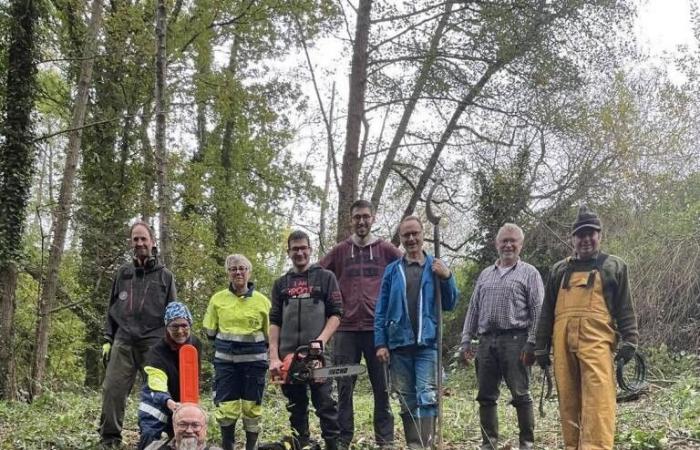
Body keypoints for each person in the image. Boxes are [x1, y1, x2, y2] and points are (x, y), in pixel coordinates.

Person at [535, 205, 638, 450]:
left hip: (597, 343)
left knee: (598, 401)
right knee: (569, 401)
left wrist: (630, 340)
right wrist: (540, 346)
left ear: (599, 235)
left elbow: (625, 308)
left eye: (591, 233)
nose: (586, 239)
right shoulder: (559, 270)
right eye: (581, 234)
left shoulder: (613, 266)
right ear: (573, 238)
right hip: (561, 345)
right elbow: (547, 311)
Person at [319, 199, 402, 449]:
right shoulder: (341, 251)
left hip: (378, 331)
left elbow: (407, 270)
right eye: (357, 217)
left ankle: (385, 440)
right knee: (344, 387)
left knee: (382, 388)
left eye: (366, 216)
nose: (362, 221)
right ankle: (344, 438)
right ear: (351, 220)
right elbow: (318, 274)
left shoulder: (386, 250)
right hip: (345, 331)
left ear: (373, 218)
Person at [374, 216, 459, 449]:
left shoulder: (435, 267)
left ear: (423, 235)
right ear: (400, 239)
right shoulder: (392, 271)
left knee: (428, 396)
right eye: (406, 235)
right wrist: (380, 343)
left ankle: (427, 443)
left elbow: (450, 303)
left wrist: (447, 277)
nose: (411, 239)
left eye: (415, 233)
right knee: (406, 398)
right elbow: (380, 309)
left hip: (427, 344)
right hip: (398, 344)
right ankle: (415, 445)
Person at [460, 223, 543, 450]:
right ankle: (488, 444)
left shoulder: (529, 273)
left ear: (520, 244)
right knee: (486, 396)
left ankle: (526, 444)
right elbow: (473, 309)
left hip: (516, 341)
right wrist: (466, 339)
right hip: (486, 342)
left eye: (512, 240)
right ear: (496, 244)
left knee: (521, 394)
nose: (508, 245)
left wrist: (532, 343)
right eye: (503, 240)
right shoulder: (486, 275)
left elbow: (538, 311)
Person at [100, 220, 177, 448]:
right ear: (131, 243)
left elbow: (172, 313)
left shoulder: (166, 276)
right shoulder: (123, 274)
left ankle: (153, 438)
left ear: (152, 242)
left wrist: (172, 345)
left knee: (156, 392)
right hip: (123, 340)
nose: (139, 243)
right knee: (112, 390)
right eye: (135, 239)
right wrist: (107, 338)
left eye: (144, 238)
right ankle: (109, 438)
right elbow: (112, 308)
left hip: (153, 343)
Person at [269, 230, 343, 450]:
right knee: (296, 408)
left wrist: (320, 341)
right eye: (295, 249)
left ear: (310, 250)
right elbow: (274, 321)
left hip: (317, 354)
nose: (299, 252)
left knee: (326, 405)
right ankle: (302, 445)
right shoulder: (281, 284)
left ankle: (333, 446)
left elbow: (337, 314)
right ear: (289, 252)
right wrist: (273, 356)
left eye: (303, 248)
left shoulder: (325, 277)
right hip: (288, 356)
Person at [203, 254, 271, 450]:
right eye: (233, 269)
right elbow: (210, 332)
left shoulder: (262, 302)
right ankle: (228, 446)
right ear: (228, 273)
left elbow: (270, 336)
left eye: (242, 268)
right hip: (226, 365)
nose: (238, 272)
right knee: (226, 408)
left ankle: (251, 446)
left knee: (252, 407)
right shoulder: (217, 299)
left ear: (249, 272)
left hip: (254, 366)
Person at [138, 302, 203, 450]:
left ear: (190, 325)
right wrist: (169, 402)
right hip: (157, 401)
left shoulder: (196, 344)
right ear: (167, 327)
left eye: (184, 325)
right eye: (174, 326)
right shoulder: (156, 352)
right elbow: (157, 383)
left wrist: (188, 406)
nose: (180, 331)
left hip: (182, 399)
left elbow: (193, 377)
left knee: (189, 436)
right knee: (150, 436)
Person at [145, 403, 223, 450]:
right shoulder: (155, 448)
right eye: (183, 424)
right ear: (174, 426)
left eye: (195, 425)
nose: (189, 430)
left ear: (205, 428)